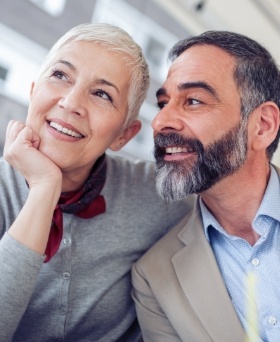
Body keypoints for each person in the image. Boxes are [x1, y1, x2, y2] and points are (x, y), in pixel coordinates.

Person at [0, 23, 194, 342]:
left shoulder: (156, 194)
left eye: (102, 94)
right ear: (34, 90)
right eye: (60, 75)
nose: (71, 103)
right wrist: (44, 190)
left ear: (124, 135)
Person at [131, 30, 280, 342]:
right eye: (163, 103)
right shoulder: (154, 279)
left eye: (194, 101)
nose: (160, 122)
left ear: (262, 126)